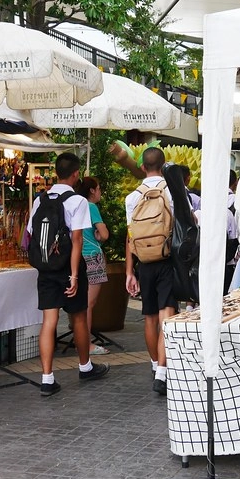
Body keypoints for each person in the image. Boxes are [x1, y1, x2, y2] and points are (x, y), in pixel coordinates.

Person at [25, 152, 109, 396]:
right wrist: (73, 275)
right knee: (79, 317)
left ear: (55, 172)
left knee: (48, 321)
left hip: (46, 268)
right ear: (75, 174)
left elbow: (32, 233)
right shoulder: (77, 201)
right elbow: (77, 239)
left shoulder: (40, 200)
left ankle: (47, 378)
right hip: (68, 268)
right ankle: (85, 366)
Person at [125, 146, 177, 397]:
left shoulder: (132, 197)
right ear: (164, 164)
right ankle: (162, 373)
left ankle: (156, 365)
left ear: (143, 167)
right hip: (167, 260)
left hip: (143, 263)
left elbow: (130, 237)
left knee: (149, 317)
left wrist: (129, 272)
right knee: (166, 315)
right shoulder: (172, 193)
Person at [78, 176, 110, 356]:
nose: (100, 192)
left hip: (77, 256)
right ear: (92, 190)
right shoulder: (91, 207)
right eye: (98, 189)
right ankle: (87, 343)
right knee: (89, 303)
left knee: (81, 302)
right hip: (92, 256)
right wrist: (99, 235)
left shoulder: (75, 205)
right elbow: (104, 234)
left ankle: (80, 338)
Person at [224, 169, 239, 295]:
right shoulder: (237, 199)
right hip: (229, 257)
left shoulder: (207, 201)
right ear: (235, 183)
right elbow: (234, 236)